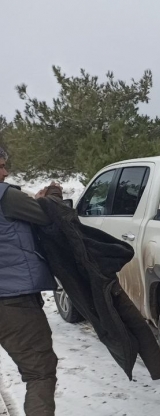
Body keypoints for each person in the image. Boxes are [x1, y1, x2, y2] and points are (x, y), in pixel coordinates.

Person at [0, 146, 61, 416]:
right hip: (13, 304)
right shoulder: (7, 197)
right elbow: (48, 216)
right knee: (40, 375)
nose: (5, 171)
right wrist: (51, 198)